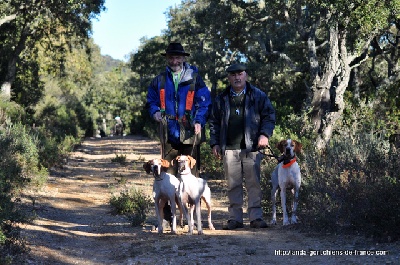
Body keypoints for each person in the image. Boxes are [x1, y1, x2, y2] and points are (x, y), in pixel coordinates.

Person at [209, 63, 276, 229]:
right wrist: (215, 143)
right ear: (228, 77)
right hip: (229, 147)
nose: (237, 77)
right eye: (233, 75)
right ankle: (235, 219)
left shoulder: (258, 95)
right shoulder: (221, 98)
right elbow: (214, 123)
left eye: (240, 74)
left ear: (245, 75)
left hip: (251, 147)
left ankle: (256, 218)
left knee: (253, 183)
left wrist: (264, 134)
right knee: (233, 184)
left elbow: (269, 116)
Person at [146, 42, 211, 178]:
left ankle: (191, 200)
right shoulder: (159, 80)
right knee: (168, 176)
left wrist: (199, 120)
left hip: (190, 131)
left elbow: (204, 102)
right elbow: (151, 100)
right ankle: (172, 200)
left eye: (177, 58)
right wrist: (155, 111)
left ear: (183, 58)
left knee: (190, 177)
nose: (174, 61)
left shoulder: (195, 78)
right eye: (171, 58)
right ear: (167, 59)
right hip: (168, 132)